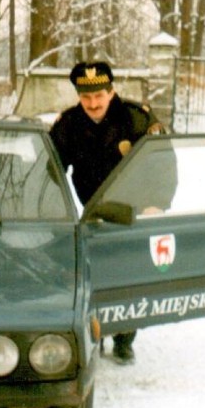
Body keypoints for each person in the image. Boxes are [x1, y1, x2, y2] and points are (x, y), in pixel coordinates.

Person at [49, 61, 167, 364]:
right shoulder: (68, 125)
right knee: (94, 275)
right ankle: (96, 333)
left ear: (111, 91)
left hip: (132, 210)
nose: (93, 104)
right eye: (86, 98)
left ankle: (124, 338)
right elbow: (52, 171)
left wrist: (157, 203)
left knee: (128, 275)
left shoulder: (136, 119)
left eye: (99, 96)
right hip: (93, 212)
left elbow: (163, 163)